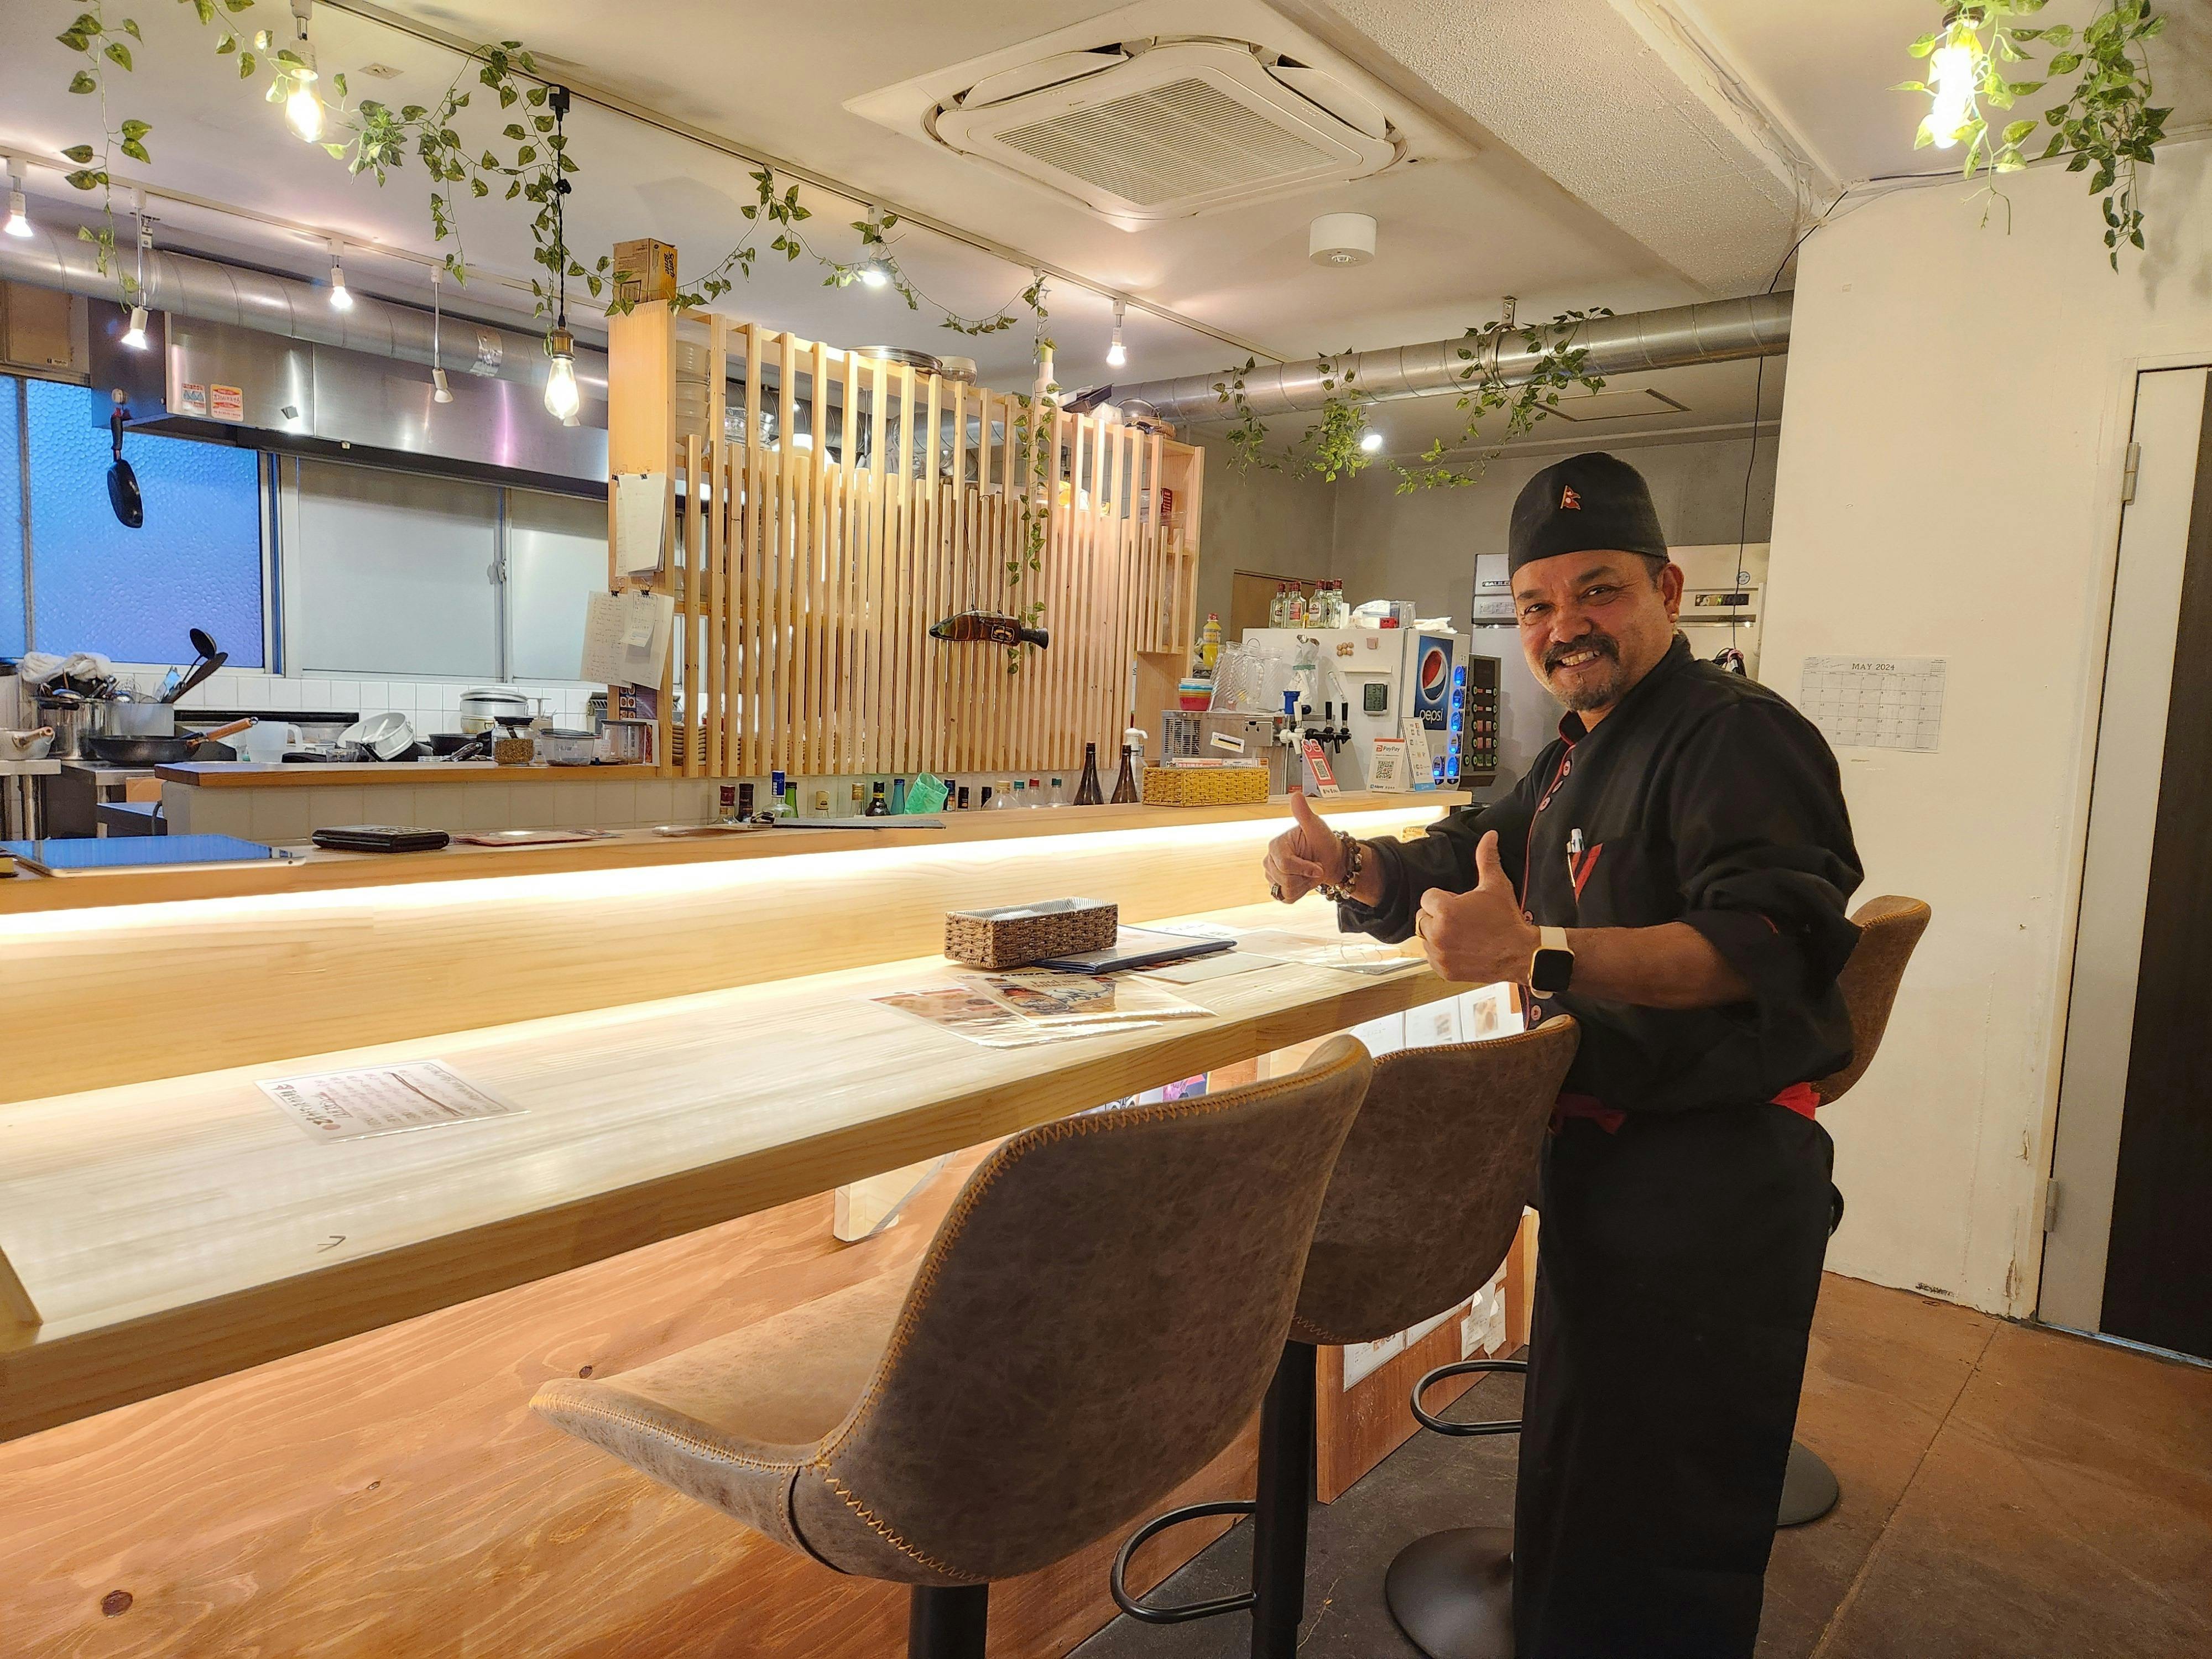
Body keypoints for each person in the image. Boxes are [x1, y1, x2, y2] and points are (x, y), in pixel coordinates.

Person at [1264, 451, 1863, 1657]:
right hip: (1613, 1170)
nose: (1563, 626)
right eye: (1537, 604)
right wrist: (1352, 866)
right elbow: (1469, 850)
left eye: (1597, 592)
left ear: (1666, 591)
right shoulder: (1578, 749)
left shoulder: (1735, 736)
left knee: (1664, 1533)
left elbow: (1764, 943)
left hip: (1707, 1182)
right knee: (1593, 1497)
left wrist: (1540, 956)